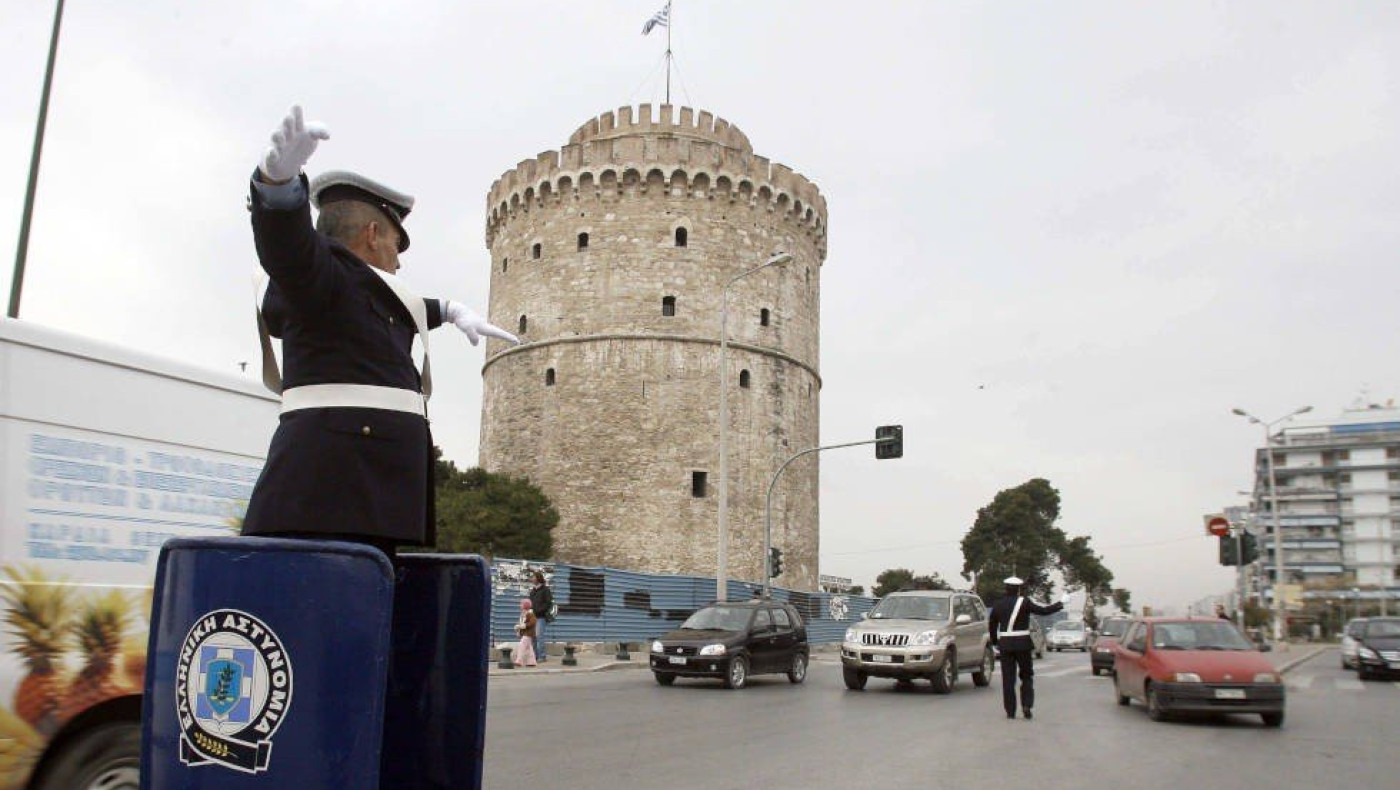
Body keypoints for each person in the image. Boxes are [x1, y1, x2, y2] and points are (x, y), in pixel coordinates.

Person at [240, 106, 518, 554]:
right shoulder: (319, 277)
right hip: (332, 500)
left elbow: (384, 307)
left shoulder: (356, 291)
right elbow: (287, 250)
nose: (398, 258)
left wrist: (446, 310)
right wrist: (277, 188)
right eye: (394, 242)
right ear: (372, 234)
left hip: (374, 503)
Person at [987, 576, 1068, 720]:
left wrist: (995, 642)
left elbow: (992, 625)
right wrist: (1061, 603)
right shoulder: (1024, 602)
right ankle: (1026, 705)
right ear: (1019, 589)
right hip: (1023, 644)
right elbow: (1043, 611)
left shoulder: (998, 605)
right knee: (1026, 676)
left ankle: (1010, 711)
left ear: (1005, 589)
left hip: (1005, 645)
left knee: (1008, 680)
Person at [528, 572, 554, 662]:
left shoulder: (545, 590)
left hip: (541, 617)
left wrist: (539, 610)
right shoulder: (532, 591)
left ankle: (542, 656)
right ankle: (534, 656)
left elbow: (548, 603)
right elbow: (530, 603)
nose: (532, 579)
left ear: (538, 578)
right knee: (533, 637)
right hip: (532, 617)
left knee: (539, 636)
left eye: (533, 577)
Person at [513, 599, 538, 668]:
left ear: (525, 606)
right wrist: (518, 628)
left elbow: (533, 622)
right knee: (529, 648)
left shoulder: (530, 614)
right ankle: (532, 662)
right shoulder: (523, 614)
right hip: (525, 633)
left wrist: (524, 626)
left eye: (521, 604)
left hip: (528, 633)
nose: (520, 605)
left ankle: (519, 661)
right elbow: (521, 623)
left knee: (522, 645)